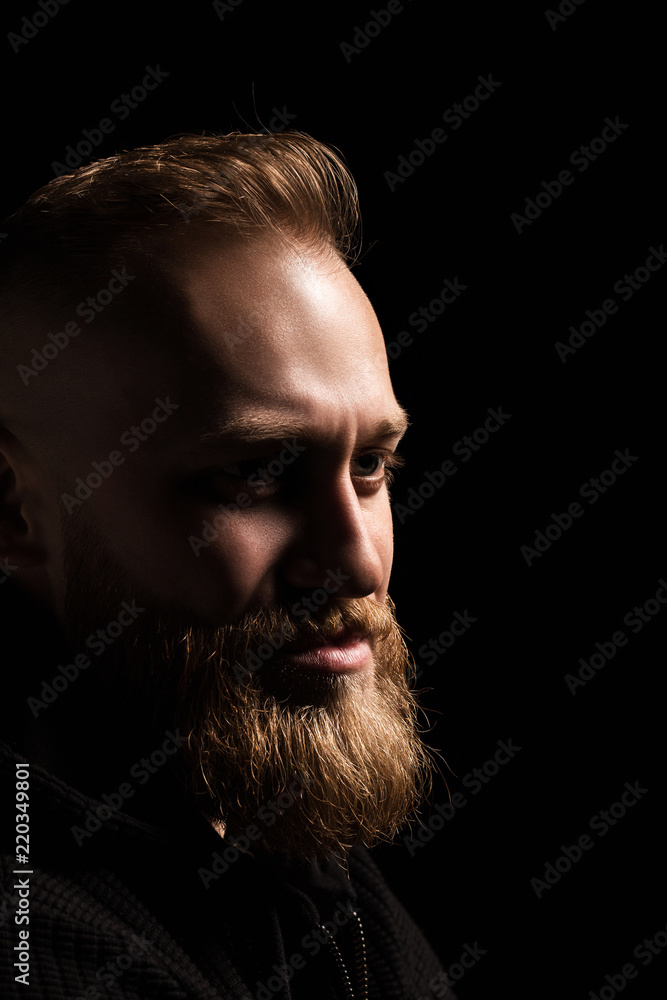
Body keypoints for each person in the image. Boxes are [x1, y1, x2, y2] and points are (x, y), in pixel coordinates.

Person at [0, 131, 456, 999]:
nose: (354, 561)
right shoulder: (39, 940)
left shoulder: (261, 830)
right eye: (254, 473)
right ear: (14, 511)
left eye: (369, 467)